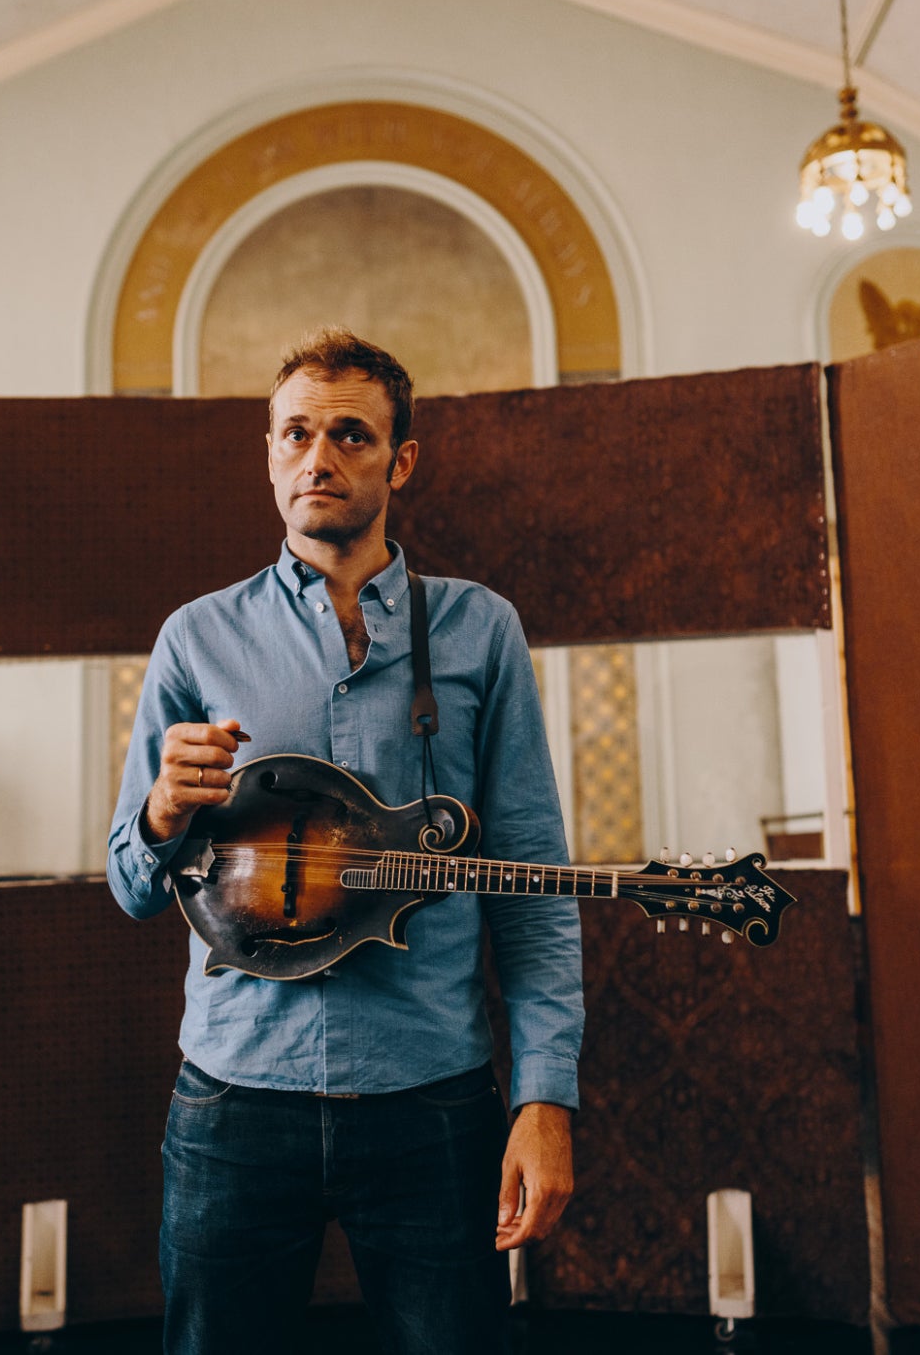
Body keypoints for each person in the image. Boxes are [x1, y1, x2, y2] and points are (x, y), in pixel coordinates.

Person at [106, 328, 584, 1353]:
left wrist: (545, 1097)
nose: (315, 458)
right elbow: (129, 883)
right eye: (293, 435)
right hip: (232, 1099)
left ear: (398, 460)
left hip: (432, 1099)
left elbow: (533, 884)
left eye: (349, 435)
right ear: (268, 452)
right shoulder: (196, 637)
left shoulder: (478, 629)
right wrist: (158, 817)